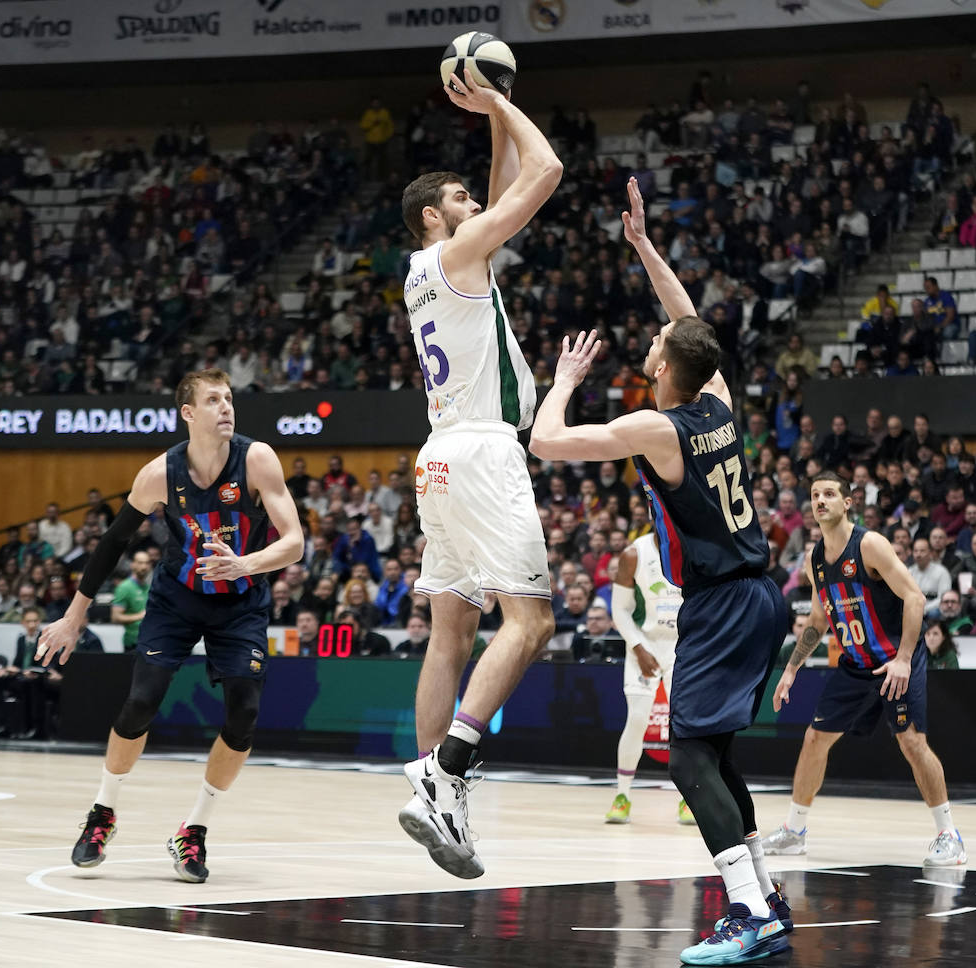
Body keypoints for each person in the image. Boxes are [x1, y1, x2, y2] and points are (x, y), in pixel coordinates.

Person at [529, 177, 792, 963]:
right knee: (711, 756)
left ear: (669, 367)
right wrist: (644, 247)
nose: (649, 346)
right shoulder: (718, 398)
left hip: (720, 602)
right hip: (760, 595)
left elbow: (546, 442)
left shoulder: (657, 424)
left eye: (654, 349)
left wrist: (564, 387)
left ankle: (752, 913)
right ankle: (763, 897)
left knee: (683, 758)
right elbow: (686, 322)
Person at [36, 369, 304, 884]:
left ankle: (194, 830)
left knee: (244, 711)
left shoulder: (257, 459)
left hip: (240, 599)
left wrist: (245, 565)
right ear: (188, 413)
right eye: (213, 400)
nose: (226, 407)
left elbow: (293, 541)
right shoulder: (159, 474)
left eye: (229, 398)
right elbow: (112, 543)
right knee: (141, 701)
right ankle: (102, 813)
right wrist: (74, 615)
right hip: (177, 598)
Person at [395, 70, 562, 881]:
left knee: (450, 633)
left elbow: (497, 191)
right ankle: (445, 772)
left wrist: (485, 111)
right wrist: (499, 104)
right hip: (485, 452)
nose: (475, 203)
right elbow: (545, 173)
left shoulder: (431, 268)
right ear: (437, 216)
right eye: (461, 197)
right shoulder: (459, 250)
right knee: (530, 624)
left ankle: (436, 792)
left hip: (436, 457)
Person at [762, 472, 965, 870]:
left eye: (830, 494)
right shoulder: (814, 559)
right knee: (814, 739)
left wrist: (905, 658)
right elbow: (819, 620)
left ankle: (949, 835)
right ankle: (794, 832)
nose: (820, 501)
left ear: (848, 502)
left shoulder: (870, 544)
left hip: (895, 660)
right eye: (815, 495)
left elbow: (915, 598)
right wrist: (791, 670)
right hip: (855, 664)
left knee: (911, 743)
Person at [603, 533, 693, 826]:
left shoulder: (695, 547)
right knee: (639, 718)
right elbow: (620, 610)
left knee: (684, 724)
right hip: (644, 643)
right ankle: (622, 796)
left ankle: (689, 799)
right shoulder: (633, 554)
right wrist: (638, 648)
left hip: (684, 646)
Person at [109, 550, 152, 652]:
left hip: (149, 641)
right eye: (140, 563)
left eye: (147, 563)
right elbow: (115, 617)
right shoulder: (124, 587)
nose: (144, 567)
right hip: (133, 643)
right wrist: (141, 616)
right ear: (133, 564)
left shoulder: (148, 587)